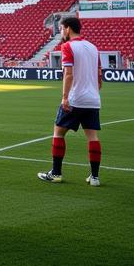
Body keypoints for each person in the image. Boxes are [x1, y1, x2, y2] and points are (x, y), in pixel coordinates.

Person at [38, 15, 104, 186]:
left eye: (61, 29)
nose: (61, 32)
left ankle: (56, 173)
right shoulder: (93, 47)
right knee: (93, 137)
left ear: (67, 28)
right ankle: (95, 177)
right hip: (93, 99)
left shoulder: (67, 46)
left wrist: (65, 97)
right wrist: (93, 93)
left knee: (58, 133)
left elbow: (68, 73)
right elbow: (99, 76)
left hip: (75, 99)